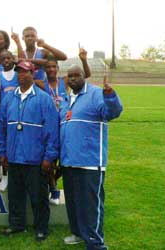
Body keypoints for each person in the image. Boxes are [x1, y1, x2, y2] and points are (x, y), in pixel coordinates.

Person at [60, 65, 122, 249]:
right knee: (73, 203)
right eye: (69, 76)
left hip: (89, 162)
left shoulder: (95, 94)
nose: (72, 79)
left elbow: (111, 113)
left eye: (76, 75)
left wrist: (110, 94)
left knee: (90, 205)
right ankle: (78, 233)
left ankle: (95, 243)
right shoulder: (66, 99)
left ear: (84, 76)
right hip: (69, 162)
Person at [0, 60, 59, 241]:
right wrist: (2, 153)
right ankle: (16, 224)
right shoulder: (8, 98)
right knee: (15, 195)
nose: (21, 75)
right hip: (14, 157)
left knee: (39, 197)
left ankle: (41, 228)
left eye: (25, 72)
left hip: (36, 158)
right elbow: (1, 128)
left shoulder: (44, 99)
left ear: (33, 74)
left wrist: (49, 157)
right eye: (19, 72)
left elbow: (52, 131)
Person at [40, 48, 91, 205]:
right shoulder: (41, 84)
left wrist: (83, 60)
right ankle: (53, 187)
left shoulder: (64, 81)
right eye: (48, 67)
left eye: (54, 66)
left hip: (64, 126)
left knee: (64, 163)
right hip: (48, 128)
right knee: (49, 160)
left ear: (58, 68)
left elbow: (86, 75)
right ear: (44, 69)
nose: (51, 69)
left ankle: (51, 182)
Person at [0, 49, 18, 192]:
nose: (6, 61)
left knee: (15, 144)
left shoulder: (19, 74)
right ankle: (4, 173)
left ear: (13, 59)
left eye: (9, 58)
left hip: (18, 114)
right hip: (4, 115)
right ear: (0, 62)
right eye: (3, 59)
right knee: (2, 143)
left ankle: (12, 174)